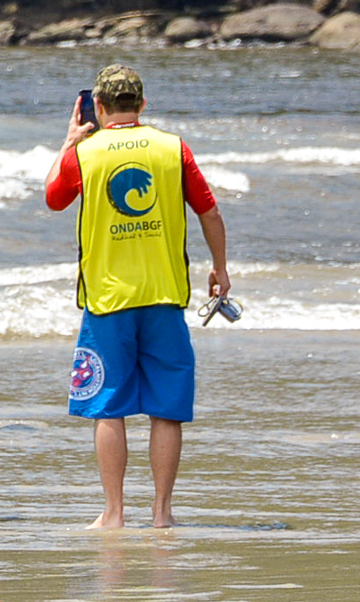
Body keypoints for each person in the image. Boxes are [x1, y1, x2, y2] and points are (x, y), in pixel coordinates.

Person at [45, 63, 229, 529]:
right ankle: (163, 512)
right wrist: (220, 269)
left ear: (99, 108)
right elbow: (209, 211)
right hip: (165, 296)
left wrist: (69, 140)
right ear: (143, 105)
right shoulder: (172, 147)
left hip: (107, 300)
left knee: (109, 406)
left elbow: (52, 198)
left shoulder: (86, 153)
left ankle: (114, 512)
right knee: (166, 408)